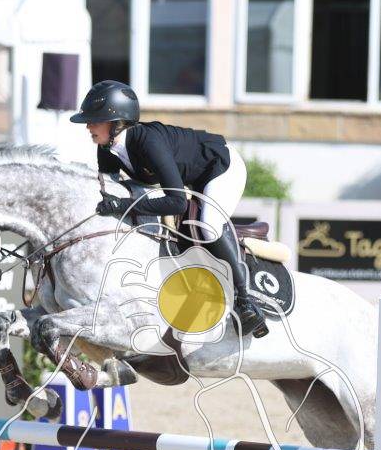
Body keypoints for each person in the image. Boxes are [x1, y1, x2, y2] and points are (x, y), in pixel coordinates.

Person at [69, 80, 269, 338]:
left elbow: (177, 202)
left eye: (94, 121)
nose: (88, 126)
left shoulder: (148, 142)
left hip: (221, 168)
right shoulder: (106, 148)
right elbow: (109, 192)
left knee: (207, 226)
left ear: (116, 122)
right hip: (193, 177)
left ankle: (246, 302)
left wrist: (123, 206)